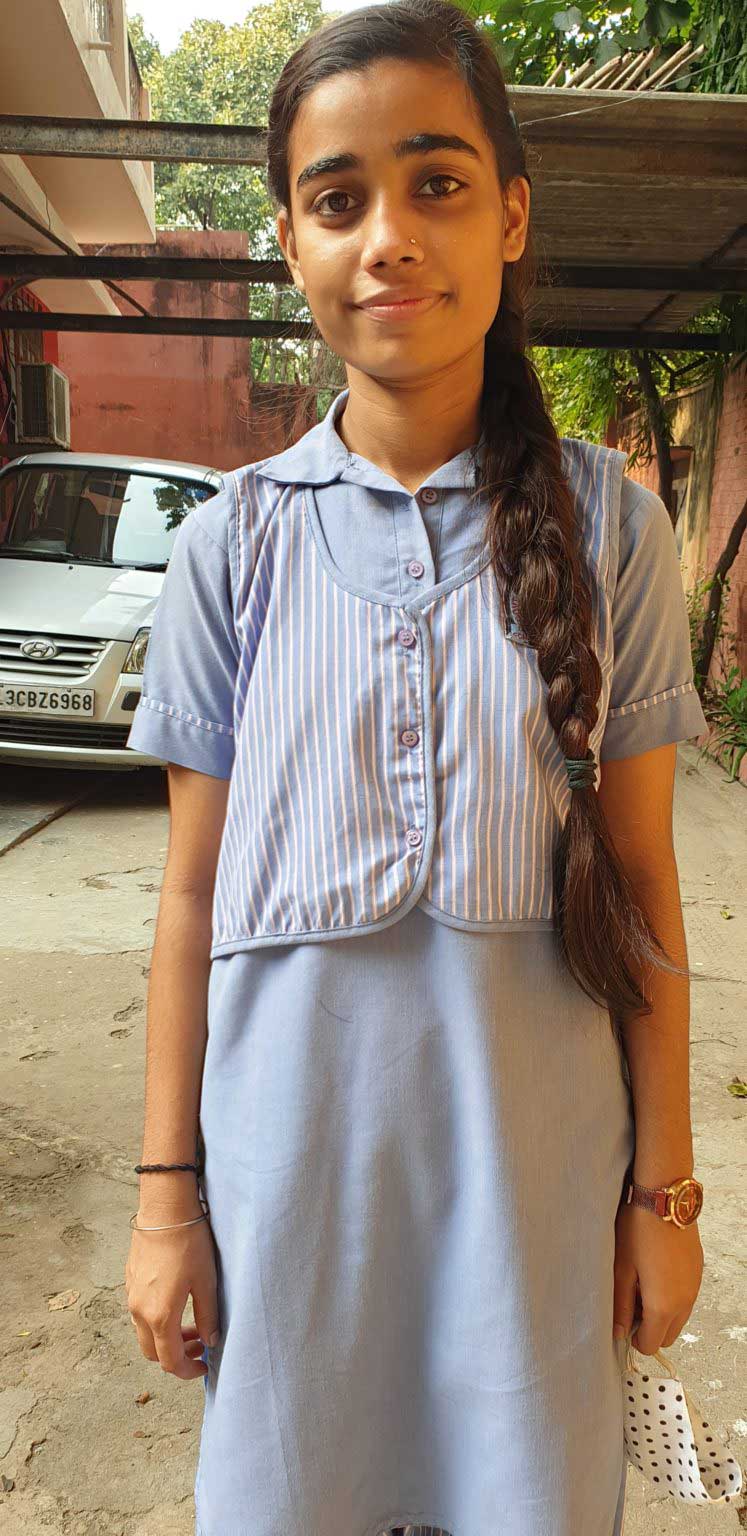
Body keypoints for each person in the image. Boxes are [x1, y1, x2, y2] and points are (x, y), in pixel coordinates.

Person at [124, 3, 709, 1533]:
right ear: (291, 244)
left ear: (510, 215)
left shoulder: (612, 531)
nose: (389, 237)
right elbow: (188, 901)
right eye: (339, 200)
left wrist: (662, 1194)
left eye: (436, 184)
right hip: (293, 1202)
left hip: (533, 1194)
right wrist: (167, 1202)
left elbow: (645, 882)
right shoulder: (232, 549)